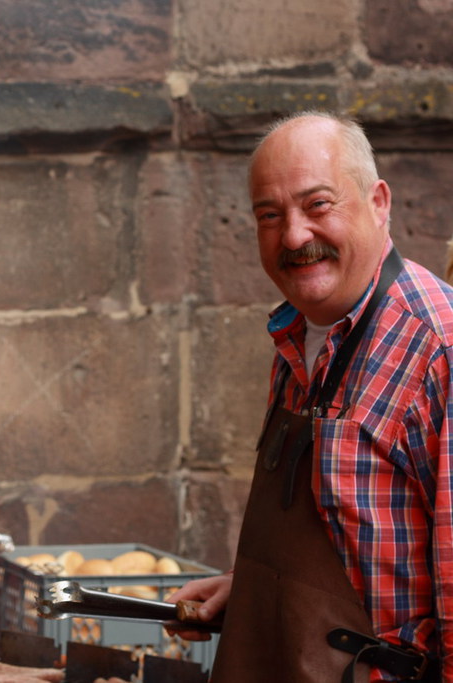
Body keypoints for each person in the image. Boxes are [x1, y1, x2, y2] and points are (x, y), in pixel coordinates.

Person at [167, 112, 453, 682]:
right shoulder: (297, 336)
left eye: (318, 205)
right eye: (270, 216)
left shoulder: (438, 350)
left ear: (377, 202)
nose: (294, 236)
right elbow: (348, 542)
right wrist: (252, 591)